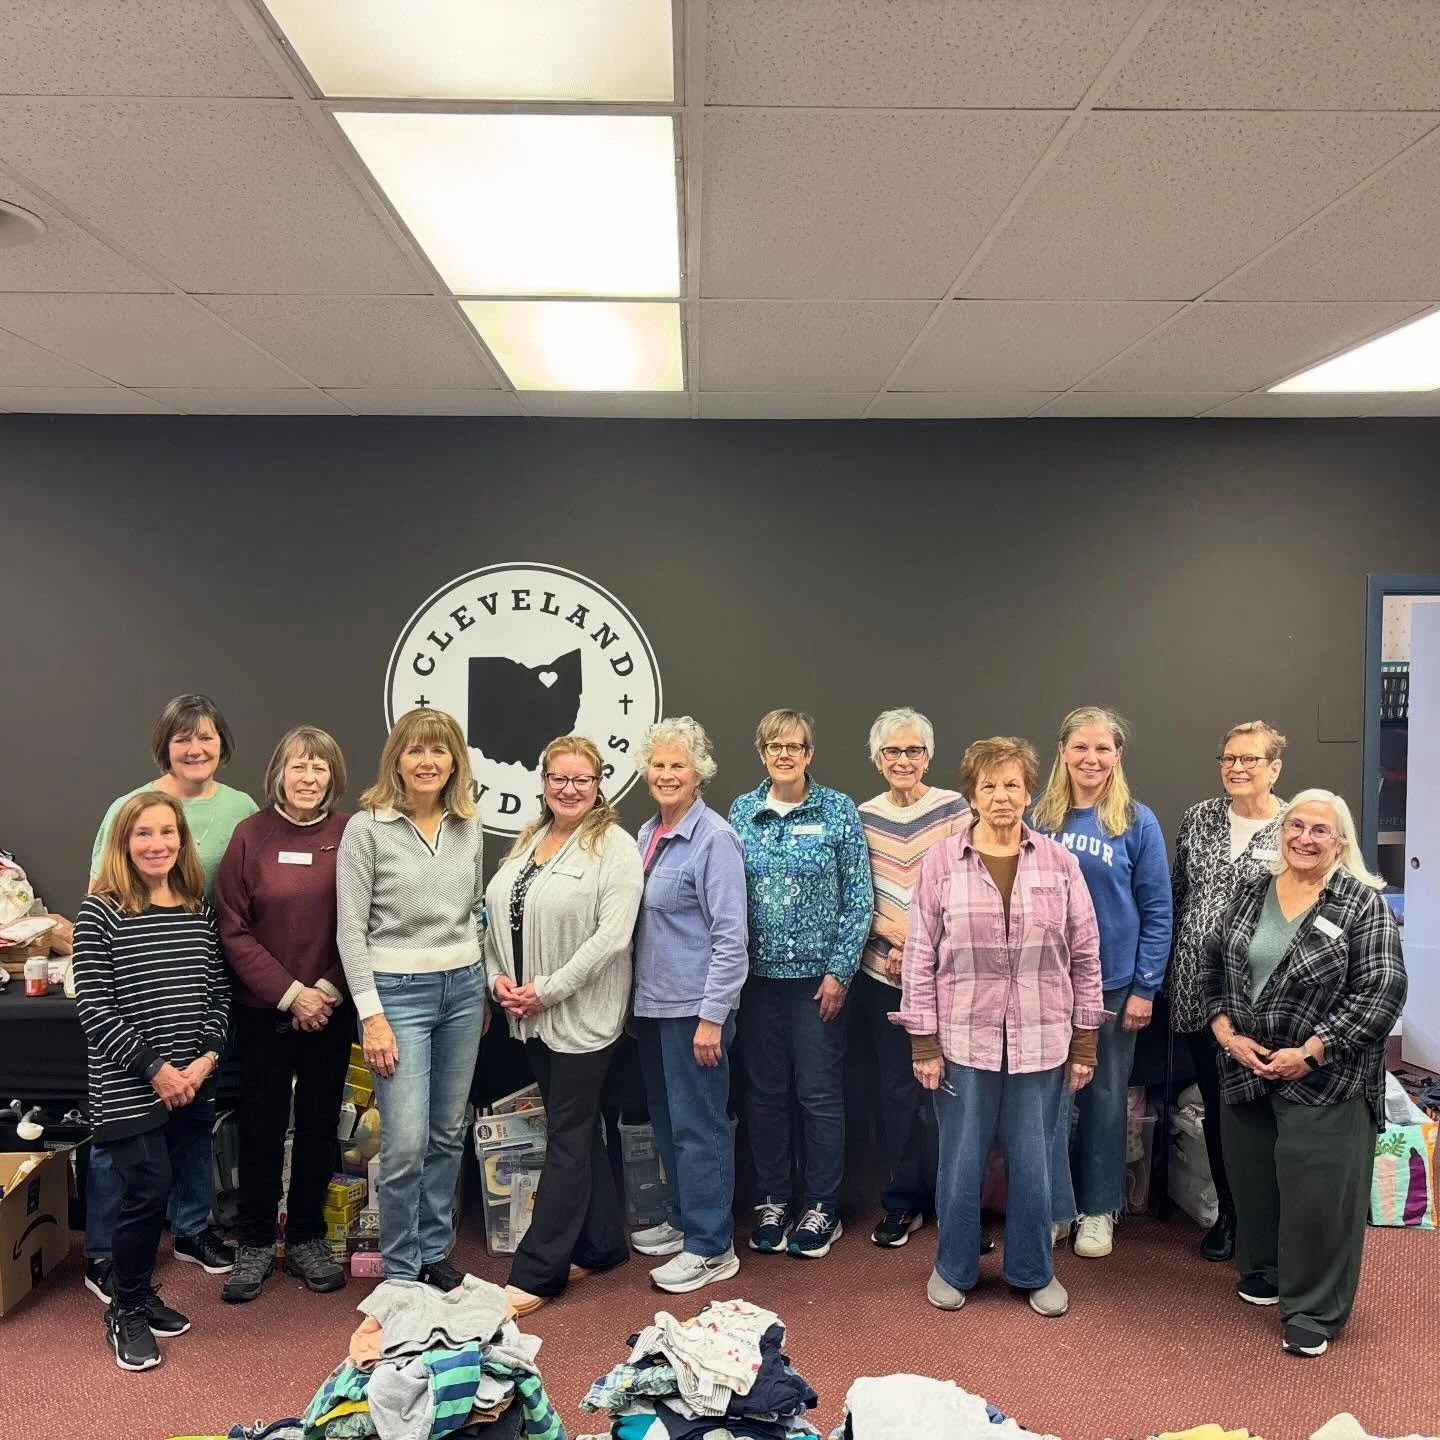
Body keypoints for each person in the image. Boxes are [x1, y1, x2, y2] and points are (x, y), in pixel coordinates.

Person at [897, 736, 1104, 1319]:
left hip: (1042, 1041)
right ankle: (954, 1267)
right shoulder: (941, 861)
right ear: (972, 793)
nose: (1001, 796)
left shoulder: (1059, 863)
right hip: (962, 1039)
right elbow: (919, 956)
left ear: (1029, 790)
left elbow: (1085, 953)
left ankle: (1033, 1270)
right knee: (959, 1159)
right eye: (988, 785)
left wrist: (1084, 1041)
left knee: (1035, 1159)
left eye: (1012, 784)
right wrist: (924, 1041)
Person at [1203, 789, 1405, 1359]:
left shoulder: (1361, 904)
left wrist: (1314, 1051)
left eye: (1320, 830)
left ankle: (1314, 1306)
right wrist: (1225, 1033)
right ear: (1281, 831)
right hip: (1246, 1066)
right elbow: (1214, 964)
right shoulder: (1249, 894)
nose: (1305, 839)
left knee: (1318, 1194)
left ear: (1339, 842)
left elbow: (1382, 992)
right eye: (1296, 826)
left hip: (1325, 1077)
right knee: (1255, 1181)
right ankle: (1265, 1270)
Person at [85, 695, 256, 1302]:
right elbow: (101, 900)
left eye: (206, 738)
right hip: (138, 1016)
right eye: (184, 739)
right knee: (120, 1148)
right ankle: (104, 1252)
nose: (196, 749)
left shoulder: (240, 808)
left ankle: (191, 1229)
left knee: (194, 1128)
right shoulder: (127, 812)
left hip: (197, 999)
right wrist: (155, 1068)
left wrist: (205, 1054)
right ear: (166, 745)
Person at [484, 735, 644, 1315]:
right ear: (543, 781)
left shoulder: (616, 848)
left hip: (580, 1018)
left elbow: (612, 937)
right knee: (574, 1130)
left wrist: (547, 991)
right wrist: (496, 976)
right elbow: (496, 914)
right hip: (526, 1016)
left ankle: (539, 1271)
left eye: (581, 779)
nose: (568, 789)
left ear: (599, 783)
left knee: (568, 1138)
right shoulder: (530, 839)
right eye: (559, 778)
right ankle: (602, 1245)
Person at [71, 792, 229, 1371]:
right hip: (129, 1083)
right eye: (144, 834)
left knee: (164, 1185)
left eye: (168, 832)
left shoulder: (196, 906)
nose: (157, 844)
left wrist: (206, 1060)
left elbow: (217, 994)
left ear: (183, 841)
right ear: (123, 841)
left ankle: (137, 1291)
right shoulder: (102, 910)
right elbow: (95, 1008)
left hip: (191, 1079)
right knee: (147, 1191)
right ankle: (126, 1310)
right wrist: (155, 1071)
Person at [337, 708, 486, 1290]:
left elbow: (474, 911)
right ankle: (400, 1270)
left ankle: (432, 1251)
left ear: (455, 761)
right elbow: (351, 931)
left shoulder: (467, 824)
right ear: (396, 758)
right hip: (396, 996)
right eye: (416, 751)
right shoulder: (367, 828)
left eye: (440, 751)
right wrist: (371, 1015)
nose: (428, 762)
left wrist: (482, 987)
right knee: (404, 1141)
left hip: (464, 989)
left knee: (448, 1132)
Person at [214, 726, 352, 1303]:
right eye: (299, 766)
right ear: (280, 772)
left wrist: (325, 989)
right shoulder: (250, 835)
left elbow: (368, 921)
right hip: (264, 1010)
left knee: (321, 1125)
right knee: (263, 1126)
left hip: (333, 1003)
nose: (308, 778)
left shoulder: (353, 834)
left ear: (333, 777)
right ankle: (252, 1243)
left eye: (319, 768)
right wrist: (291, 993)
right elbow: (231, 927)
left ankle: (305, 1238)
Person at [728, 709, 872, 1259]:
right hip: (757, 980)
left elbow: (859, 898)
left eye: (794, 746)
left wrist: (840, 972)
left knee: (818, 1095)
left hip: (820, 983)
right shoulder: (743, 810)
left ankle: (821, 1206)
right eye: (773, 746)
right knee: (764, 1095)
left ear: (809, 753)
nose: (784, 754)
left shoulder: (836, 810)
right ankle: (773, 1199)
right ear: (762, 753)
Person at [1030, 707, 1171, 1260]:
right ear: (1063, 751)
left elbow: (1157, 910)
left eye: (1103, 749)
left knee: (1107, 1098)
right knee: (1047, 1100)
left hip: (1112, 986)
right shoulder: (1040, 818)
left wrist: (1145, 987)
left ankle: (1099, 1207)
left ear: (1118, 756)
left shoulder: (1137, 821)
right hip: (1045, 985)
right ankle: (1055, 1206)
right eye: (1081, 748)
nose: (1092, 759)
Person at [630, 717, 748, 1293]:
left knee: (699, 1128)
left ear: (699, 772)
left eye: (679, 764)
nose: (668, 774)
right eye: (658, 765)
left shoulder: (714, 838)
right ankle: (682, 1221)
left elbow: (731, 938)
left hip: (694, 1013)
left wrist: (712, 1017)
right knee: (670, 1123)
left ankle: (711, 1246)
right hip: (652, 1009)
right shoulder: (645, 834)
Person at [1168, 720, 1287, 1262]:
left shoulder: (1294, 825)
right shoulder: (1199, 819)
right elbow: (1176, 895)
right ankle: (1231, 1216)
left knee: (1260, 1111)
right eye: (1228, 758)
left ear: (1274, 767)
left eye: (1250, 760)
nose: (1237, 768)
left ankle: (1270, 1219)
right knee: (1217, 1108)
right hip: (1196, 991)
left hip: (1259, 998)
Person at [855, 707, 968, 1248]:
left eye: (914, 751)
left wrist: (917, 942)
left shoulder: (953, 809)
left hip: (946, 974)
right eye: (893, 752)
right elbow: (855, 894)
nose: (904, 760)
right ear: (878, 759)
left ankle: (954, 1201)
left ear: (929, 755)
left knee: (946, 1091)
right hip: (881, 972)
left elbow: (964, 886)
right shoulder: (862, 815)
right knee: (896, 1092)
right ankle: (902, 1202)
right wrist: (895, 939)